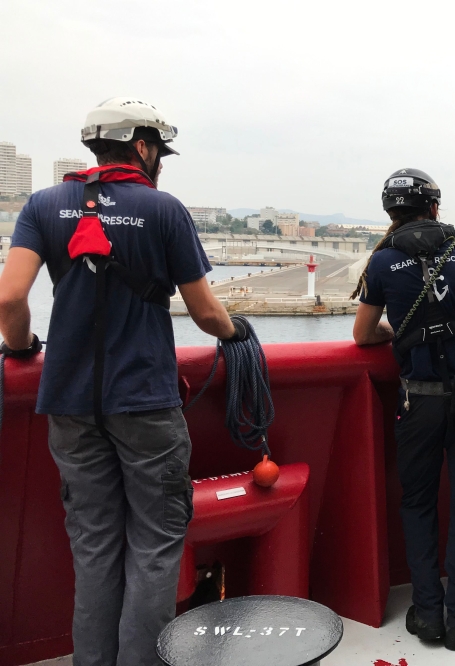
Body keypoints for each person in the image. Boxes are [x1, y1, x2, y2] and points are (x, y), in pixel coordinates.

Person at [0, 97, 244, 666]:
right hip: (145, 405)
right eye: (159, 150)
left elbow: (11, 297)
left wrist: (19, 347)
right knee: (156, 549)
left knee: (94, 549)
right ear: (142, 146)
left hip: (69, 403)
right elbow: (206, 313)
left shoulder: (44, 204)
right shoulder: (164, 210)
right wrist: (237, 332)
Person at [352, 168, 455, 650]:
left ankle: (428, 613)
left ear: (391, 211)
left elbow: (362, 335)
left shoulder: (382, 262)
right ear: (434, 206)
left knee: (417, 502)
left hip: (420, 399)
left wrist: (400, 334)